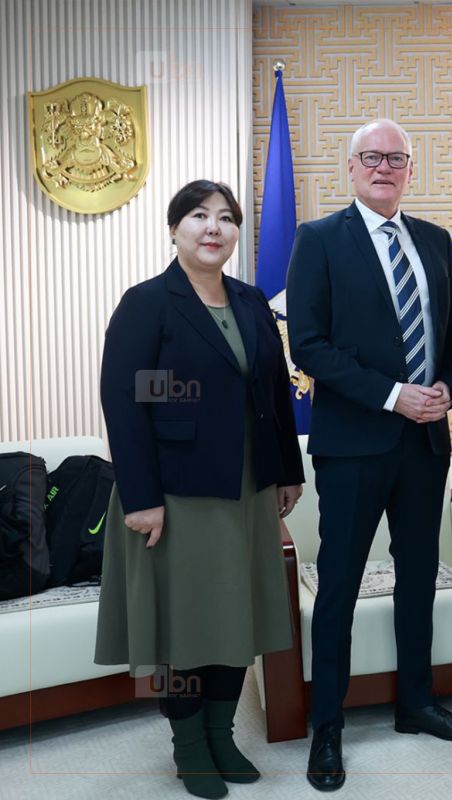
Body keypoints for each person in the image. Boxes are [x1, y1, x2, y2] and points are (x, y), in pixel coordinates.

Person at [286, 119, 452, 792]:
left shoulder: (434, 240)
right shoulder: (318, 239)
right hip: (354, 444)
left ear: (410, 169)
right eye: (371, 157)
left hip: (425, 443)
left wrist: (446, 388)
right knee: (339, 583)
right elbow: (308, 345)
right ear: (350, 167)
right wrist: (394, 395)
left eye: (396, 158)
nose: (384, 167)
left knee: (418, 573)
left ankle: (416, 702)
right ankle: (328, 725)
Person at [96, 180, 305, 800]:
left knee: (236, 615)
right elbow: (127, 401)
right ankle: (188, 746)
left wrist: (287, 470)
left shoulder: (251, 301)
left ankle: (221, 734)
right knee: (185, 626)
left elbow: (274, 392)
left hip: (246, 488)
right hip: (176, 494)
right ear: (174, 229)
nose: (213, 227)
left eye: (225, 218)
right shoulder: (148, 303)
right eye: (198, 215)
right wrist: (141, 497)